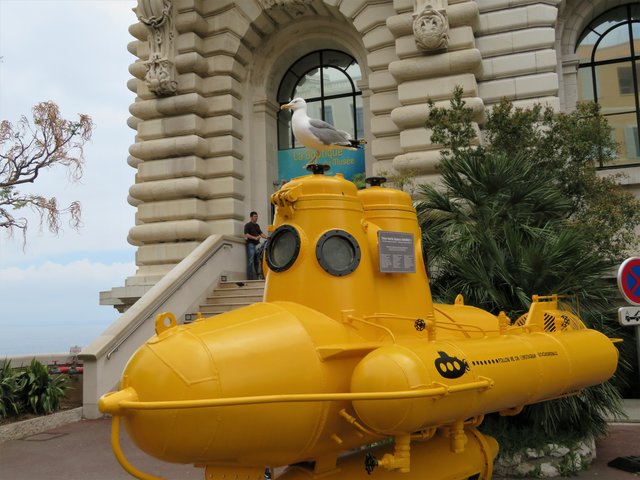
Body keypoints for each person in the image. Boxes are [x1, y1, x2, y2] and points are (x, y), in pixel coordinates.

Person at [244, 211, 267, 280]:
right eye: (255, 216)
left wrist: (268, 237)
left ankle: (258, 277)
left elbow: (261, 233)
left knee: (257, 261)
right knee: (250, 261)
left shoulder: (257, 225)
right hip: (251, 244)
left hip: (257, 245)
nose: (256, 218)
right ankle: (250, 278)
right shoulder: (247, 225)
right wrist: (255, 238)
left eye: (257, 216)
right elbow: (246, 234)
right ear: (251, 217)